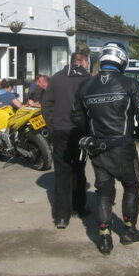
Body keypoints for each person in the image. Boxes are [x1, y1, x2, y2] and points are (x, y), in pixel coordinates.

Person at [72, 43, 139, 255]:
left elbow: (77, 118)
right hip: (123, 146)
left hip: (98, 148)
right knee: (132, 186)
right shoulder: (130, 83)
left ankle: (104, 238)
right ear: (122, 60)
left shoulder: (85, 86)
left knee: (104, 192)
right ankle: (128, 230)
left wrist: (89, 134)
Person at [42, 53, 90, 230]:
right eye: (87, 62)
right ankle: (79, 207)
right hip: (80, 132)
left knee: (62, 173)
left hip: (60, 131)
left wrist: (52, 126)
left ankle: (62, 216)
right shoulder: (87, 79)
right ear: (83, 62)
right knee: (79, 169)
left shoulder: (56, 79)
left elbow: (46, 104)